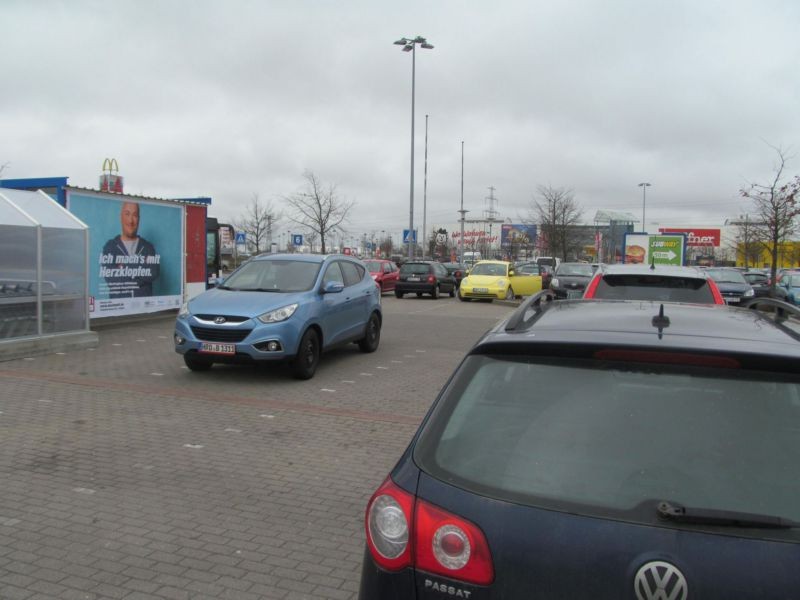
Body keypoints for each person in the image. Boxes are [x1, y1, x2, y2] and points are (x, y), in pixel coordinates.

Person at [101, 202, 160, 298]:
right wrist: (140, 268)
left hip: (144, 309)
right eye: (127, 214)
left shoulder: (148, 247)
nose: (130, 220)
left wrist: (124, 267)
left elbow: (153, 273)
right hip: (118, 309)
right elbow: (111, 280)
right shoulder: (110, 247)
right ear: (121, 217)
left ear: (139, 219)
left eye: (135, 215)